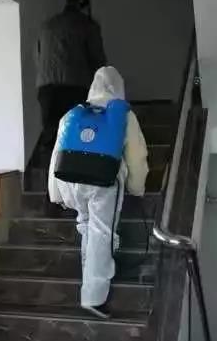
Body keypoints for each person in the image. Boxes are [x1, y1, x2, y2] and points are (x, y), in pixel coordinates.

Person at [48, 67, 149, 319]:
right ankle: (94, 297)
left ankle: (89, 278)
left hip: (71, 182)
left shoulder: (73, 114)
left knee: (86, 227)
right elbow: (137, 157)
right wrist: (137, 188)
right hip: (103, 183)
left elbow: (56, 155)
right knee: (102, 234)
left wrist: (56, 193)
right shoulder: (123, 115)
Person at [36, 0, 107, 150]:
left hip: (46, 87)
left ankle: (49, 163)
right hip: (75, 85)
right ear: (85, 8)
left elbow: (38, 55)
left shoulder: (47, 25)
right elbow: (97, 58)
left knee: (51, 134)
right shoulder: (87, 25)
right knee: (76, 134)